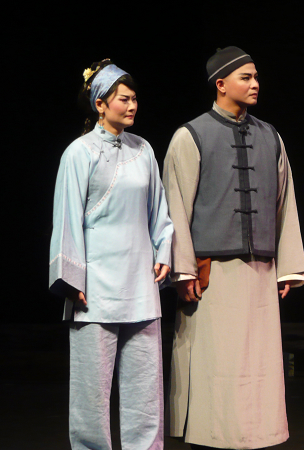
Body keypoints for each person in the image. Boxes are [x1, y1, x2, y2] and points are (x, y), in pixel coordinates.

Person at [163, 46, 304, 449]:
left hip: (259, 271)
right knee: (217, 362)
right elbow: (176, 205)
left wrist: (287, 266)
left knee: (258, 361)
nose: (255, 83)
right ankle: (212, 436)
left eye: (256, 76)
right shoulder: (191, 135)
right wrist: (183, 270)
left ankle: (257, 435)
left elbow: (285, 202)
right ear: (221, 84)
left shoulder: (270, 136)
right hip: (213, 273)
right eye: (246, 77)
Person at [49, 59, 173, 450]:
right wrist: (72, 279)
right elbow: (66, 219)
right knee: (91, 391)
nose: (132, 105)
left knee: (145, 390)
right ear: (100, 104)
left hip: (139, 283)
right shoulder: (78, 152)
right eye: (124, 99)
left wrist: (164, 249)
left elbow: (159, 210)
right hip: (95, 288)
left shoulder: (144, 149)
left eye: (135, 98)